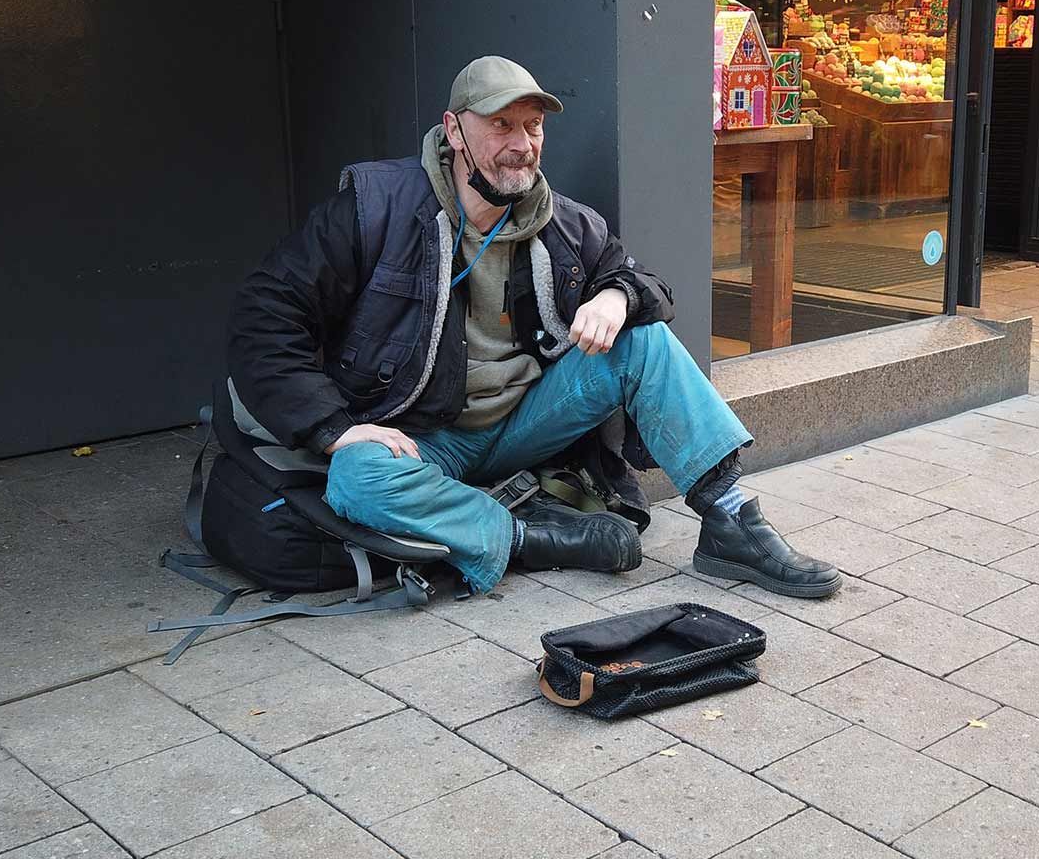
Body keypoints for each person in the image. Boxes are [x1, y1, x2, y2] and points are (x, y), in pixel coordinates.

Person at [227, 56, 841, 598]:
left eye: (533, 125)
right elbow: (265, 317)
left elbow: (646, 284)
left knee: (644, 339)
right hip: (417, 436)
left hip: (523, 424)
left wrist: (616, 297)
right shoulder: (375, 209)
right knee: (357, 478)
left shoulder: (565, 224)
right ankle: (534, 535)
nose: (521, 143)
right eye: (501, 125)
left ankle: (730, 521)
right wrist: (335, 429)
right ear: (453, 130)